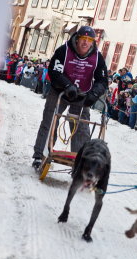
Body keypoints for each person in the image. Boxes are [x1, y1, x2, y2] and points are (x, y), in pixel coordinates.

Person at [32, 26, 108, 169]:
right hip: (60, 91)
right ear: (77, 39)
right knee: (50, 121)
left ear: (93, 42)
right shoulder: (63, 50)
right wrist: (67, 85)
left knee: (81, 127)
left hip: (82, 95)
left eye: (89, 40)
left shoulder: (98, 58)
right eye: (83, 39)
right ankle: (40, 154)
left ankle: (81, 161)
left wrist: (95, 93)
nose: (85, 43)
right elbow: (54, 71)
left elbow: (102, 80)